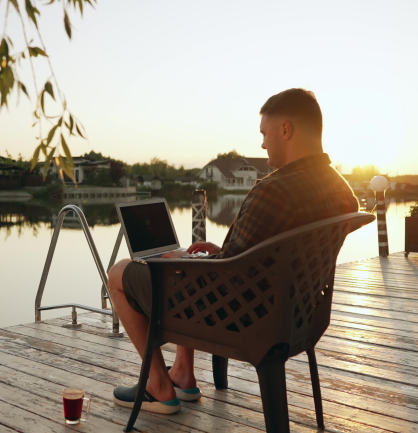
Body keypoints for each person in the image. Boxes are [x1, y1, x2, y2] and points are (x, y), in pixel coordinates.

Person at [106, 88, 359, 414]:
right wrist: (217, 254)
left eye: (265, 134)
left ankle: (157, 385)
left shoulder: (273, 190)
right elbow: (267, 252)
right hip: (300, 315)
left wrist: (187, 260)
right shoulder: (341, 189)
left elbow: (226, 275)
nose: (263, 144)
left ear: (286, 129)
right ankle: (182, 373)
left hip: (243, 318)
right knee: (194, 263)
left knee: (120, 273)